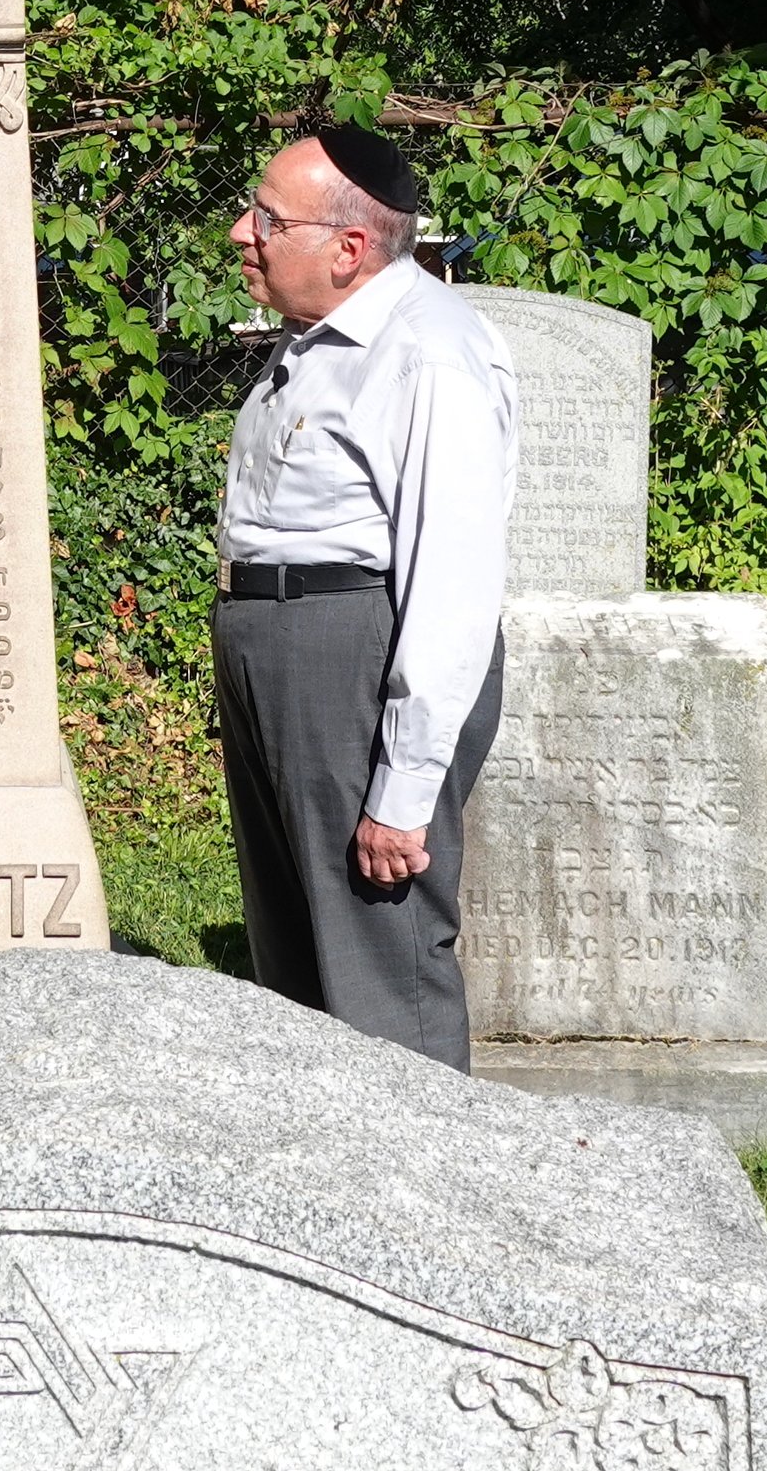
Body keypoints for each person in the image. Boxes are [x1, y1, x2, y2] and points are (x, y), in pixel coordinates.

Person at [213, 127, 518, 1070]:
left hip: (353, 655)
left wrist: (403, 787)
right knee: (297, 955)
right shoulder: (321, 339)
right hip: (286, 653)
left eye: (268, 216)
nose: (240, 232)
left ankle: (432, 1197)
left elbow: (453, 585)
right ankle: (321, 1190)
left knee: (382, 968)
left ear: (349, 249)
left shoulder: (429, 354)